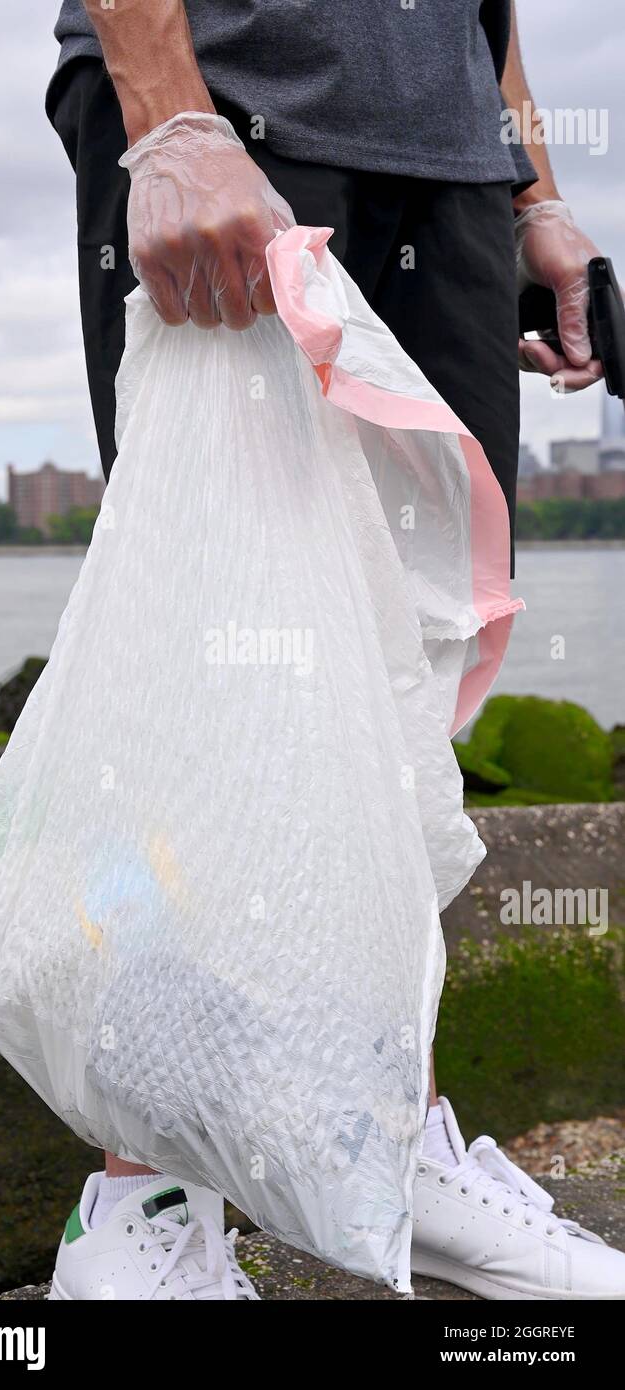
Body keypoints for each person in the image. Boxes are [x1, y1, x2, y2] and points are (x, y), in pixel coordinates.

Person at [44, 0, 624, 1301]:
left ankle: (388, 1143)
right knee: (214, 639)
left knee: (411, 668)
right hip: (233, 101)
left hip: (452, 162)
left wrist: (531, 179)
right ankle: (139, 1198)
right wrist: (167, 107)